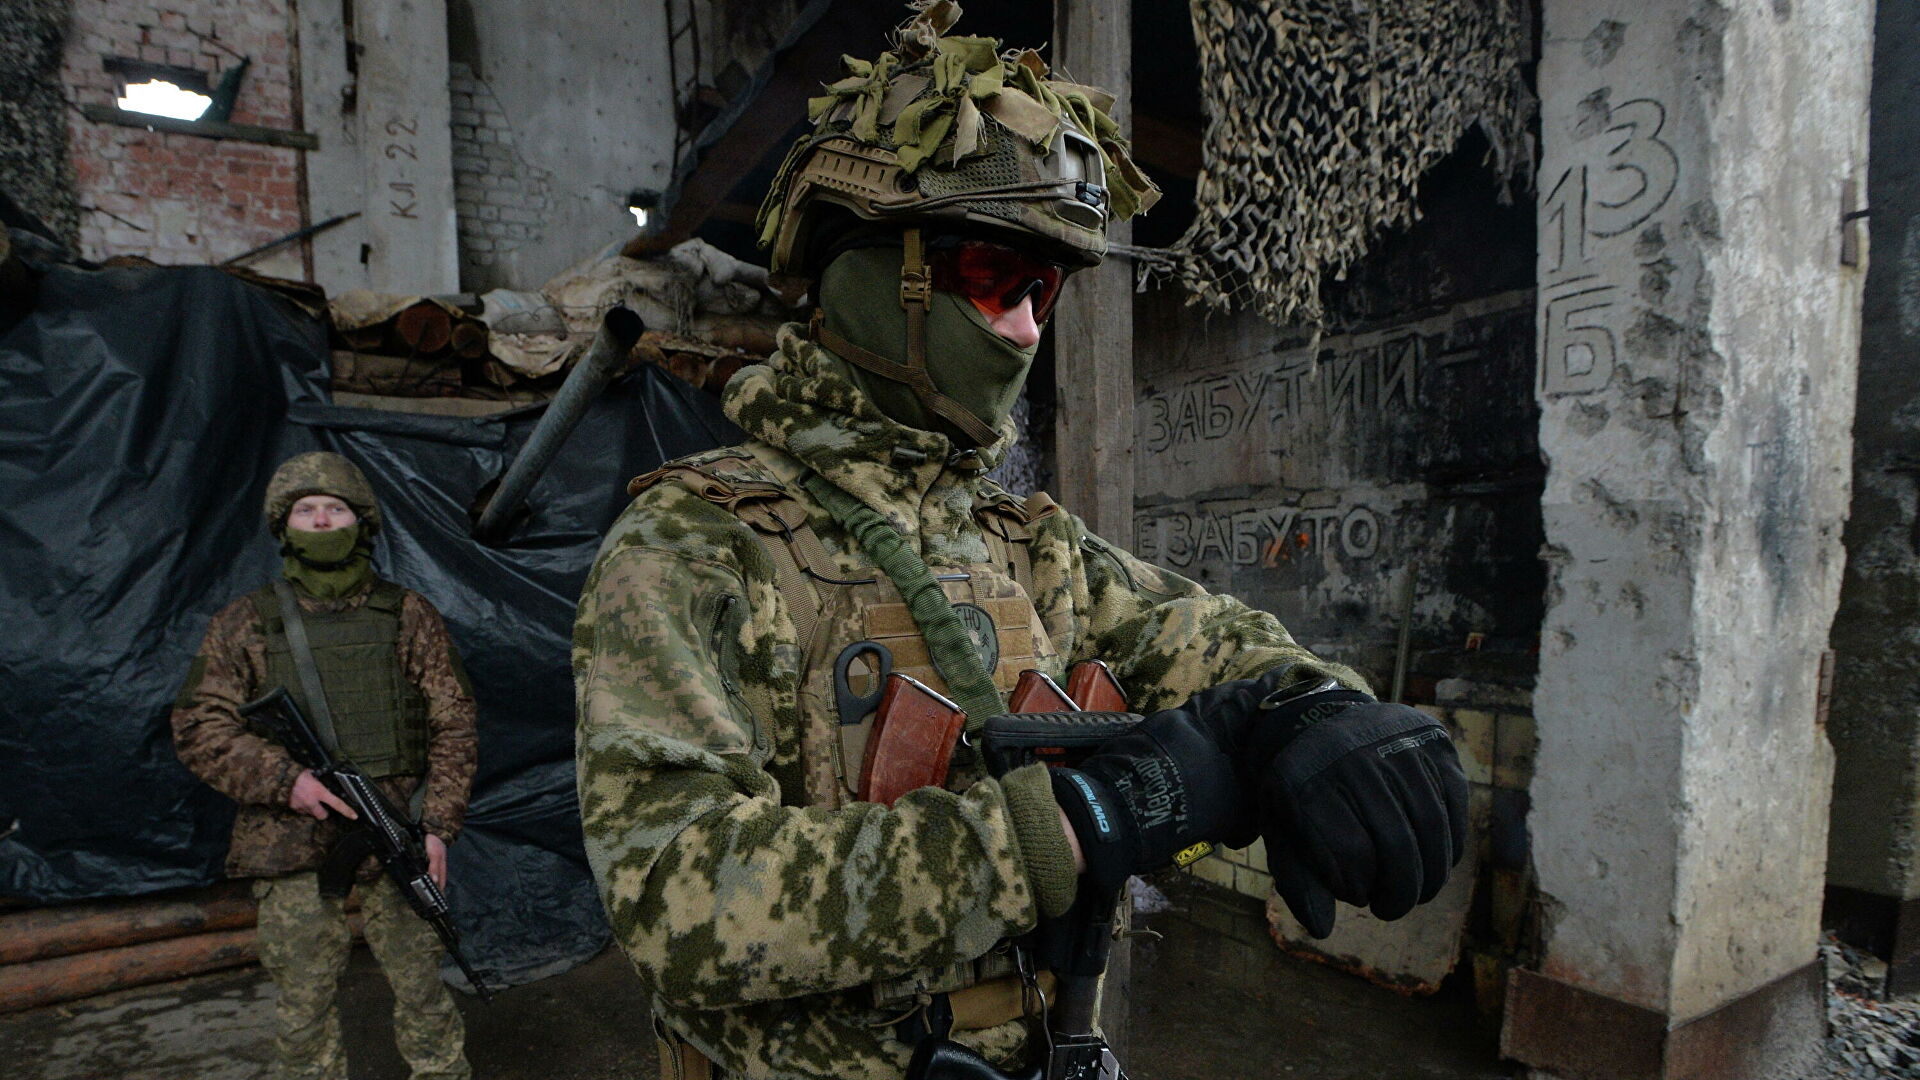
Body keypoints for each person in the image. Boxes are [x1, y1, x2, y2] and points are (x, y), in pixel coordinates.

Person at [573, 6, 1468, 1079]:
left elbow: (1214, 643)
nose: (1026, 329)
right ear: (875, 277)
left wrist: (1318, 712)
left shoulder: (1027, 548)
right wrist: (1075, 824)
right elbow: (674, 899)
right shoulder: (693, 545)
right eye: (997, 279)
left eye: (1044, 292)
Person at [171, 451, 477, 1080]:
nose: (319, 521)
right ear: (283, 526)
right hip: (287, 838)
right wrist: (288, 781)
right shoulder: (246, 622)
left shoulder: (407, 614)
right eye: (304, 510)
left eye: (334, 508)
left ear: (361, 520)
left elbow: (454, 721)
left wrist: (438, 826)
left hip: (396, 829)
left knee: (424, 990)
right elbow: (198, 725)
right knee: (304, 1005)